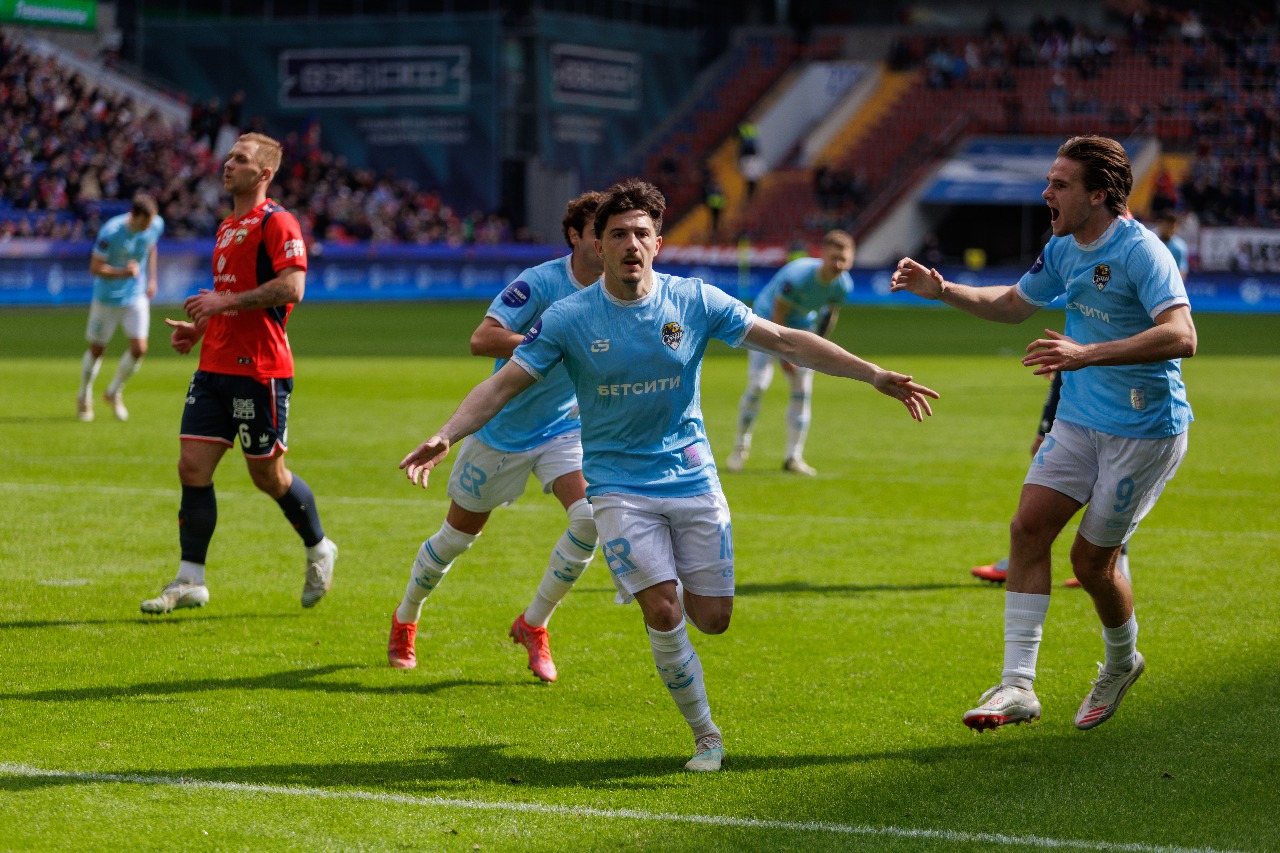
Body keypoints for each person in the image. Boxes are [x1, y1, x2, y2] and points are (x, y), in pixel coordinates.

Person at [399, 179, 938, 772]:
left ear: (657, 243)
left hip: (690, 475)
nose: (630, 244)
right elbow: (501, 383)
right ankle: (706, 736)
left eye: (641, 233)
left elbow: (785, 338)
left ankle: (638, 581)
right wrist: (446, 434)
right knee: (661, 609)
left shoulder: (694, 301)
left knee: (714, 619)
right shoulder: (567, 317)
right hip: (615, 484)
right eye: (617, 235)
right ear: (598, 246)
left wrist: (873, 374)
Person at [891, 135, 1196, 732]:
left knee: (1090, 563)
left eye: (1060, 184)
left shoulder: (1142, 252)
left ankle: (1121, 662)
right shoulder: (1062, 246)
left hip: (1143, 431)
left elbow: (1182, 336)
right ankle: (1017, 686)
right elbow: (1012, 304)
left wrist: (1087, 353)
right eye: (1049, 181)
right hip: (1079, 420)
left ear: (1098, 195)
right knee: (1027, 530)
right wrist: (943, 290)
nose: (1045, 193)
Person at [387, 191, 606, 681]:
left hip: (564, 428)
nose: (609, 243)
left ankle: (534, 624)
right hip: (501, 432)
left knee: (591, 519)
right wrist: (545, 343)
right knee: (455, 540)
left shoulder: (617, 289)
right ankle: (406, 616)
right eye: (600, 232)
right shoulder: (540, 282)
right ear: (575, 236)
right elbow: (481, 339)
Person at [140, 132, 337, 615]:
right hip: (214, 367)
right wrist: (199, 329)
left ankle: (319, 548)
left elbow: (293, 288)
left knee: (267, 476)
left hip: (260, 370)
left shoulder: (277, 221)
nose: (228, 164)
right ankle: (191, 579)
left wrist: (222, 301)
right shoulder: (228, 226)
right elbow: (228, 297)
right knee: (191, 467)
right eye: (229, 156)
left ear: (264, 173)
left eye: (240, 159)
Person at [969, 371, 1132, 588]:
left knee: (1049, 451)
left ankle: (1027, 555)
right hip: (1080, 373)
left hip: (1089, 376)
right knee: (1099, 464)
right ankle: (1114, 564)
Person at [726, 230, 855, 475]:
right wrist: (785, 356)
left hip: (802, 327)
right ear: (823, 255)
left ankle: (793, 457)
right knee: (758, 384)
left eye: (844, 259)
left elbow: (830, 314)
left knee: (802, 390)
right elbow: (779, 315)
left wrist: (820, 347)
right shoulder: (798, 277)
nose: (839, 264)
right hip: (766, 323)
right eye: (834, 258)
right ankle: (739, 448)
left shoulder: (843, 284)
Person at [77, 192, 165, 422]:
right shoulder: (111, 231)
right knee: (97, 349)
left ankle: (114, 392)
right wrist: (122, 272)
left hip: (135, 295)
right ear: (133, 215)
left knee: (139, 348)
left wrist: (152, 278)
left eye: (150, 222)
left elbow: (151, 245)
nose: (148, 227)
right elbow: (95, 267)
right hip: (107, 298)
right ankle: (84, 394)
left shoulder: (155, 224)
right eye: (144, 222)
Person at [1154, 212, 1190, 281]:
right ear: (1159, 224)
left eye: (1172, 227)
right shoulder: (1151, 243)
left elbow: (1182, 270)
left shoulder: (1179, 247)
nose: (1169, 230)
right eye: (1167, 226)